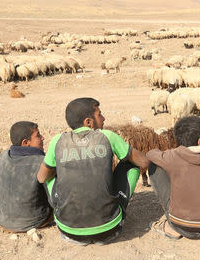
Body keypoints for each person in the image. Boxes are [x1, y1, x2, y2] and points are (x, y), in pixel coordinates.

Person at [37, 97, 149, 245]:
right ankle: (115, 214)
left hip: (69, 231)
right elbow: (144, 162)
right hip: (109, 230)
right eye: (99, 114)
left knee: (48, 174)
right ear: (88, 122)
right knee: (131, 164)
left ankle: (66, 216)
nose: (104, 118)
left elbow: (41, 178)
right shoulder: (107, 136)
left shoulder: (58, 141)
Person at [146, 116, 200, 240]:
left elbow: (150, 154)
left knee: (153, 166)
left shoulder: (172, 156)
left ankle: (170, 228)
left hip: (182, 227)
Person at [0, 121, 52, 232]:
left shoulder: (3, 156)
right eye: (38, 136)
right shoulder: (41, 162)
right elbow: (53, 197)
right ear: (25, 142)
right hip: (36, 221)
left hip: (4, 221)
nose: (43, 138)